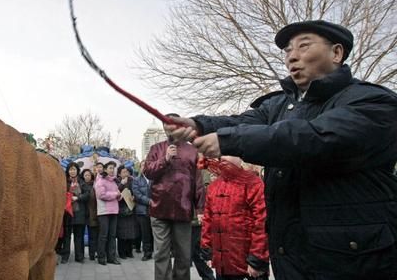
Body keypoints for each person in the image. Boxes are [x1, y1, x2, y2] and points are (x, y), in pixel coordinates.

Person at [169, 20, 397, 280]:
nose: (293, 56)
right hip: (291, 255)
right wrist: (198, 124)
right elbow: (243, 122)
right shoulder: (280, 105)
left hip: (354, 257)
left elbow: (313, 138)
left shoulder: (373, 101)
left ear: (336, 53)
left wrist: (228, 140)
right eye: (288, 50)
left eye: (304, 46)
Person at [145, 113, 205, 280]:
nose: (169, 128)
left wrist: (200, 208)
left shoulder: (192, 150)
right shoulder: (156, 149)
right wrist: (164, 159)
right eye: (165, 124)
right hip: (159, 208)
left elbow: (198, 181)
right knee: (161, 255)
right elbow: (148, 172)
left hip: (183, 208)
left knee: (184, 257)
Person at [200, 156, 269, 280]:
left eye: (230, 152)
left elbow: (262, 222)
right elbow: (208, 220)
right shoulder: (214, 186)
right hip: (223, 265)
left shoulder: (253, 183)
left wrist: (257, 259)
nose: (224, 157)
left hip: (247, 265)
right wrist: (207, 250)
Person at [60, 162, 88, 263]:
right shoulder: (64, 182)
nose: (72, 171)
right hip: (67, 213)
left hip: (79, 212)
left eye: (74, 169)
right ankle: (65, 256)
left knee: (79, 236)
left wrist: (78, 197)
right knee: (67, 236)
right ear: (68, 171)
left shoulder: (81, 181)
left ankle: (79, 256)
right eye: (70, 169)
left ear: (77, 170)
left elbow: (87, 194)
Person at [94, 161, 122, 265]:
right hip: (104, 212)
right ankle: (101, 257)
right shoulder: (100, 181)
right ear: (105, 169)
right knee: (103, 235)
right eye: (110, 168)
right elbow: (101, 195)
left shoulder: (114, 181)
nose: (112, 170)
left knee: (112, 235)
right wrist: (116, 194)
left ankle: (112, 257)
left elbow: (116, 196)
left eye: (113, 168)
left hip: (114, 211)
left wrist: (119, 196)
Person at [191, 170, 215, 280]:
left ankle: (208, 277)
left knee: (197, 253)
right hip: (184, 219)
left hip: (197, 220)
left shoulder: (203, 173)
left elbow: (207, 194)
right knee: (189, 254)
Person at [131, 160, 154, 261]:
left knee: (156, 233)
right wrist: (149, 201)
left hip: (155, 210)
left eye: (146, 165)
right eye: (142, 165)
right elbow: (137, 194)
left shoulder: (154, 179)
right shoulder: (136, 180)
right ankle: (147, 252)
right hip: (142, 211)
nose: (144, 167)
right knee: (145, 233)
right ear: (140, 168)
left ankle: (156, 252)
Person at [116, 166, 136, 259]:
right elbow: (115, 193)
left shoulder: (132, 181)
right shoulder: (116, 181)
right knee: (122, 233)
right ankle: (122, 252)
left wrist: (134, 197)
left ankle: (129, 251)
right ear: (119, 173)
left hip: (130, 207)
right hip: (121, 208)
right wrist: (121, 184)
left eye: (126, 172)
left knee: (130, 232)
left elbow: (135, 192)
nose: (125, 173)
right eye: (123, 172)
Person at [82, 168, 99, 261]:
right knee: (90, 235)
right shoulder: (82, 185)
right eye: (85, 175)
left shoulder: (95, 185)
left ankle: (94, 252)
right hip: (85, 213)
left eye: (88, 175)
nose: (87, 176)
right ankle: (91, 254)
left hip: (94, 212)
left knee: (94, 235)